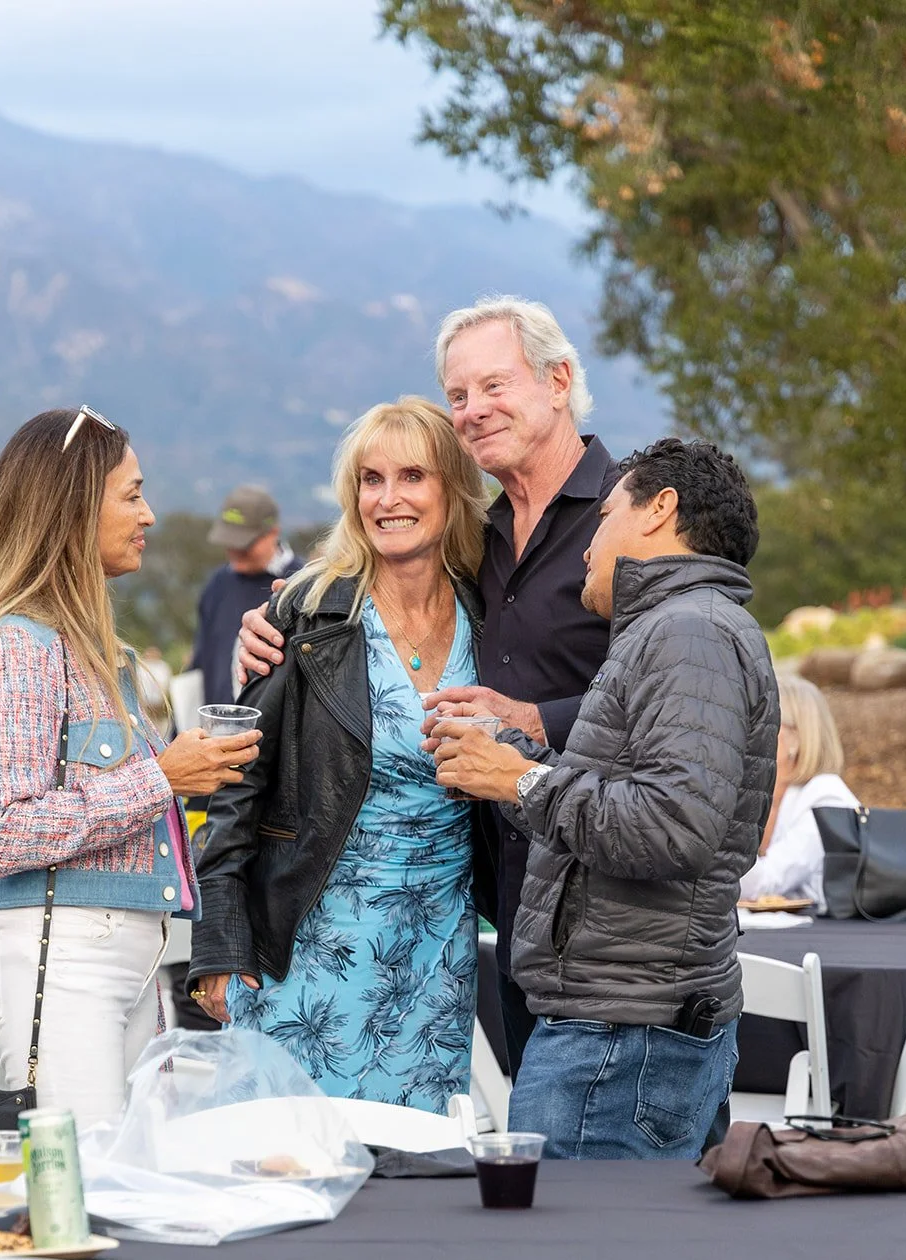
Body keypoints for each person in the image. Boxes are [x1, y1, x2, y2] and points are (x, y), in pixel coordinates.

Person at [237, 297, 620, 1076]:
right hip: (482, 915)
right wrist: (274, 622)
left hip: (605, 914)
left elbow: (673, 692)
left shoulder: (627, 520)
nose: (474, 409)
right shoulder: (482, 552)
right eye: (458, 394)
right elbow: (244, 788)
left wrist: (538, 721)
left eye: (494, 386)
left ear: (558, 381)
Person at [432, 438, 777, 1158]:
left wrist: (517, 780)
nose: (587, 545)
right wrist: (511, 753)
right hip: (622, 1026)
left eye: (604, 516)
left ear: (660, 510)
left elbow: (669, 828)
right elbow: (634, 795)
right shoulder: (677, 629)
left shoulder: (686, 633)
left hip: (620, 1038)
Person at [0, 406, 261, 1129]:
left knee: (126, 1180)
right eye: (132, 493)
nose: (148, 513)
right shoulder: (14, 648)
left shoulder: (90, 651)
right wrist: (162, 778)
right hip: (66, 961)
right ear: (75, 507)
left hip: (120, 956)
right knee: (87, 1186)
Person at [188, 397, 490, 1110]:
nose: (388, 499)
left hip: (436, 949)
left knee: (415, 1169)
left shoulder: (488, 611)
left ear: (451, 487)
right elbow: (237, 785)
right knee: (289, 1164)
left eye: (411, 476)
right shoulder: (304, 611)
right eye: (369, 479)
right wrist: (220, 945)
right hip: (309, 942)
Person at [739, 673, 857, 913]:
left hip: (830, 936)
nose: (750, 734)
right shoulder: (765, 794)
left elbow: (767, 882)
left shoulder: (827, 797)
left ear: (796, 738)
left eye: (764, 724)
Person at [190, 485, 303, 709]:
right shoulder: (218, 584)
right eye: (229, 542)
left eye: (244, 544)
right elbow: (203, 659)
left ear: (273, 533)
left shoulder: (299, 583)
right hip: (217, 726)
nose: (234, 551)